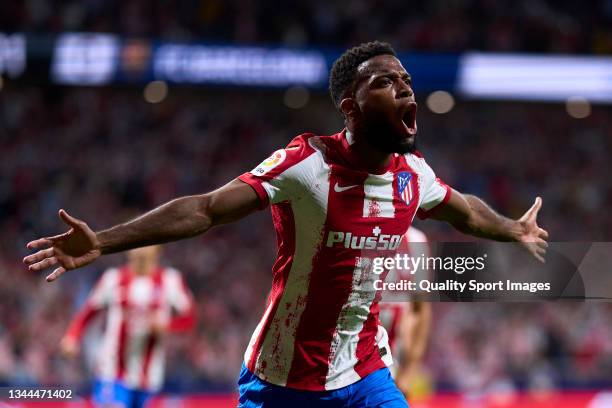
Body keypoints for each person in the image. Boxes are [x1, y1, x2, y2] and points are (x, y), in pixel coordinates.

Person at [24, 41, 548, 408]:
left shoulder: (414, 176)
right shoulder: (307, 164)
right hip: (280, 378)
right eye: (386, 82)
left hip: (364, 370)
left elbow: (466, 210)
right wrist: (105, 241)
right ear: (351, 106)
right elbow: (205, 208)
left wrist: (513, 229)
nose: (405, 89)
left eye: (407, 81)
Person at [60, 245, 196, 408]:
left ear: (157, 250)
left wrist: (167, 325)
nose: (141, 251)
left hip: (148, 376)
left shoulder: (170, 280)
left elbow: (189, 318)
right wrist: (72, 336)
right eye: (137, 245)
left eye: (147, 245)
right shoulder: (113, 279)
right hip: (112, 370)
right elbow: (88, 311)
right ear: (129, 250)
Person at [377, 227, 432, 401]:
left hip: (394, 367)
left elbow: (420, 309)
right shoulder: (355, 233)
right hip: (352, 366)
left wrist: (409, 371)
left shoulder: (416, 239)